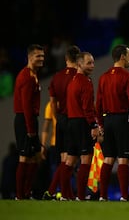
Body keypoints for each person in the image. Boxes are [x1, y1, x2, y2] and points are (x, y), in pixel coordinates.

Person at [96, 44, 129, 201]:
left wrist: (101, 124)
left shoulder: (103, 77)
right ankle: (124, 196)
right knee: (123, 159)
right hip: (123, 120)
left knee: (108, 158)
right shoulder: (127, 76)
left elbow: (98, 104)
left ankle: (103, 196)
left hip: (108, 120)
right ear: (123, 56)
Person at [42, 45, 80, 200]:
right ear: (78, 59)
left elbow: (52, 102)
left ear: (65, 59)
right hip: (74, 119)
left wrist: (58, 117)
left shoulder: (56, 77)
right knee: (72, 160)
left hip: (61, 120)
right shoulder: (78, 76)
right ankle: (52, 191)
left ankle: (65, 194)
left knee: (65, 160)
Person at [60, 52, 99, 201]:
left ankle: (65, 195)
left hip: (71, 123)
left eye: (93, 63)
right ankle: (81, 197)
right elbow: (87, 108)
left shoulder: (72, 81)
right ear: (79, 64)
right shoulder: (85, 82)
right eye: (89, 63)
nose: (92, 66)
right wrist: (94, 125)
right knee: (85, 160)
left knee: (69, 160)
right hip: (82, 123)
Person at [13, 44, 45, 200]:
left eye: (43, 56)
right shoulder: (26, 76)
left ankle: (26, 193)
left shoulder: (33, 74)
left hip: (29, 119)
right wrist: (31, 131)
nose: (41, 59)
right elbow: (26, 106)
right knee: (24, 157)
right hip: (24, 120)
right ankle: (20, 195)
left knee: (34, 158)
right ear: (29, 57)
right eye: (38, 56)